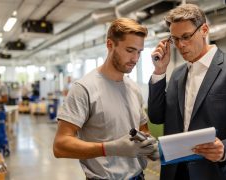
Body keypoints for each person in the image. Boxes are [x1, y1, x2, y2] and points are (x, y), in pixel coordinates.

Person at [148, 4, 226, 180]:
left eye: (186, 36)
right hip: (176, 172)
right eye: (175, 39)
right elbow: (157, 116)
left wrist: (225, 148)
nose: (181, 45)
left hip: (217, 172)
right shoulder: (177, 74)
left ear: (204, 29)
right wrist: (159, 72)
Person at [53, 18, 156, 180]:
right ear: (110, 45)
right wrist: (109, 148)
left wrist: (149, 146)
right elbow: (60, 146)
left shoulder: (134, 88)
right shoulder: (84, 88)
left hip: (138, 176)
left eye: (139, 52)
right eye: (130, 50)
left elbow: (143, 130)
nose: (135, 59)